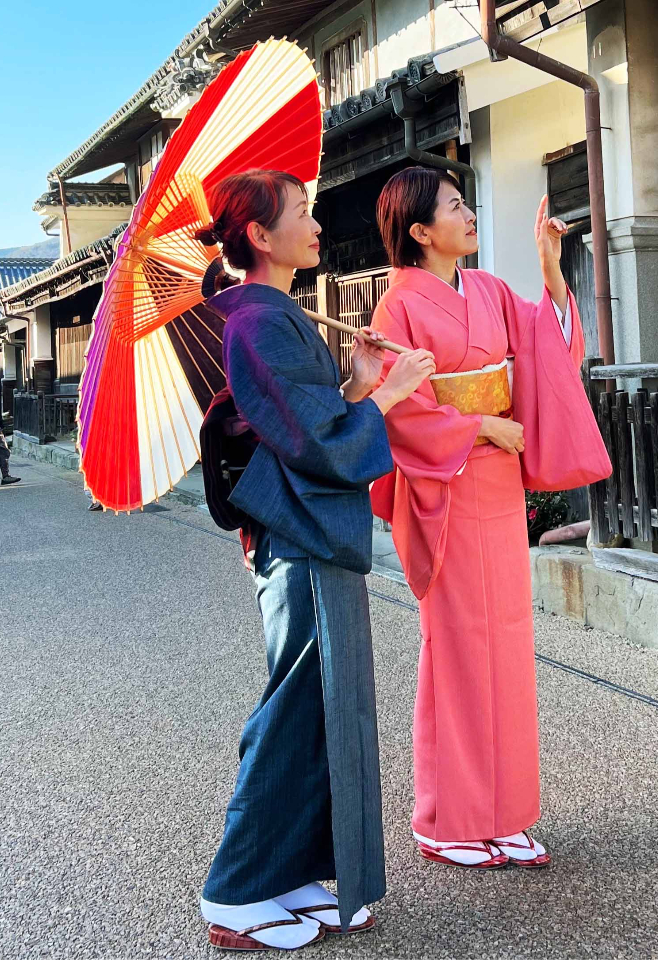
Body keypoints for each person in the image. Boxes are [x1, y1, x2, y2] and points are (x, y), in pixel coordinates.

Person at [194, 169, 435, 952]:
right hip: (299, 536)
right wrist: (387, 396)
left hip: (307, 530)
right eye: (302, 213)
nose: (318, 223)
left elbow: (307, 416)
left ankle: (287, 871)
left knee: (320, 707)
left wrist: (356, 382)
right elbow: (316, 440)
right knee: (293, 707)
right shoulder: (257, 324)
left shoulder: (274, 317)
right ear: (260, 237)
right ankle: (235, 890)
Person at [370, 167, 584, 870]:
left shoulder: (488, 289)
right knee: (460, 648)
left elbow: (546, 352)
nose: (469, 215)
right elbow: (399, 407)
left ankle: (503, 812)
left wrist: (551, 273)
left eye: (466, 202)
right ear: (420, 231)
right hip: (447, 486)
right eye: (454, 207)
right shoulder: (395, 308)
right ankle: (445, 817)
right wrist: (485, 429)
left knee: (506, 645)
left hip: (496, 487)